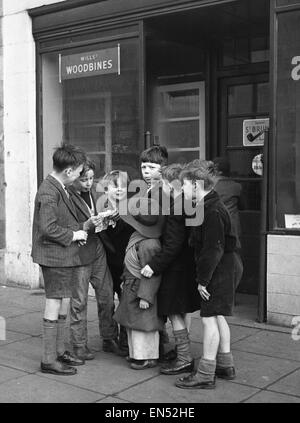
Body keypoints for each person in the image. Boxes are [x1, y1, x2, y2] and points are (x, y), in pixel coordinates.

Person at [175, 166, 240, 390]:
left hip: (218, 270)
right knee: (219, 315)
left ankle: (205, 374)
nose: (182, 188)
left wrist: (203, 280)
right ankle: (225, 364)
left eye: (184, 184)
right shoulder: (210, 205)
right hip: (224, 267)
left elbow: (213, 249)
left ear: (195, 184)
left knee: (209, 318)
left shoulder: (210, 210)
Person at [31, 144, 87, 376]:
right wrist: (74, 234)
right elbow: (48, 228)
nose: (80, 176)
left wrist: (78, 232)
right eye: (79, 172)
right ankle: (48, 359)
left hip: (61, 255)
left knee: (63, 301)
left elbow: (58, 222)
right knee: (54, 302)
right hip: (54, 256)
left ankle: (59, 351)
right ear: (69, 171)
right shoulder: (49, 191)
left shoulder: (58, 186)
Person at [141, 162, 201, 375]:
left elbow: (172, 245)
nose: (161, 187)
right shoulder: (188, 203)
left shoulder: (177, 207)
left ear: (170, 184)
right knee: (182, 310)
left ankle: (184, 358)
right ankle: (181, 353)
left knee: (175, 313)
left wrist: (153, 266)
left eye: (163, 183)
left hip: (176, 269)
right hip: (187, 266)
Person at [68, 160, 125, 361]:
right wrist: (85, 224)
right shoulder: (66, 195)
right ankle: (79, 344)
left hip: (98, 249)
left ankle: (109, 338)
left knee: (106, 296)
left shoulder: (96, 194)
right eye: (84, 179)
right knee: (79, 301)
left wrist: (110, 218)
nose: (88, 183)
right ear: (74, 177)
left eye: (91, 178)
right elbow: (64, 226)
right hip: (79, 252)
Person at [114, 197, 165, 370]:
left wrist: (146, 296)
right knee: (133, 324)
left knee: (144, 326)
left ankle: (147, 356)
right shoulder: (138, 237)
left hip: (141, 289)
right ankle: (137, 353)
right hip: (131, 286)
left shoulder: (149, 244)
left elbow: (153, 274)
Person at [96, 170, 135, 354]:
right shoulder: (100, 208)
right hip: (107, 262)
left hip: (126, 261)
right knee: (106, 301)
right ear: (106, 188)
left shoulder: (132, 208)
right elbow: (102, 237)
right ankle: (108, 337)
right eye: (115, 185)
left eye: (123, 185)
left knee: (126, 300)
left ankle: (126, 338)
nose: (119, 189)